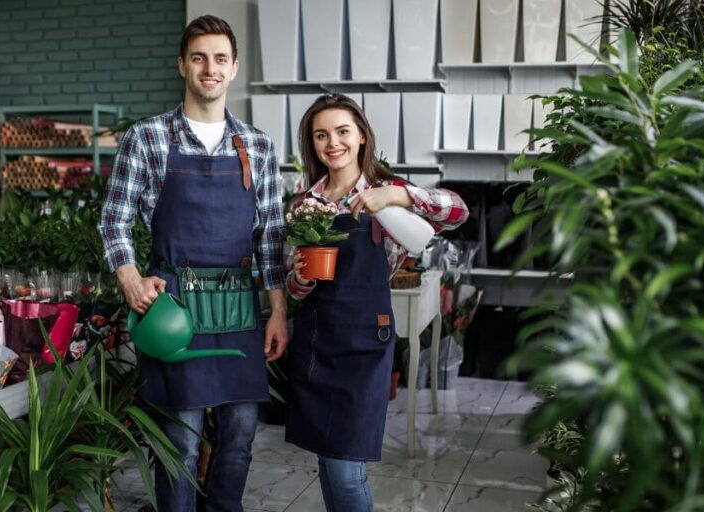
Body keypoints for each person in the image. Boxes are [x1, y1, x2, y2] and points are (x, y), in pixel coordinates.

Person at [98, 14, 289, 512]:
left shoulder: (259, 146)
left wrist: (278, 311)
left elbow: (270, 234)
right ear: (182, 64)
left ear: (234, 68)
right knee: (179, 441)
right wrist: (131, 280)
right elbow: (114, 220)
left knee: (241, 434)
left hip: (238, 305)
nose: (210, 68)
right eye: (199, 57)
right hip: (174, 304)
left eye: (220, 59)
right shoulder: (148, 138)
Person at [284, 94, 468, 511]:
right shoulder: (304, 205)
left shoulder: (386, 190)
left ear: (362, 136)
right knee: (329, 462)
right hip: (316, 342)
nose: (333, 142)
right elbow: (293, 289)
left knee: (347, 469)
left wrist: (397, 198)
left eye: (343, 131)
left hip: (366, 341)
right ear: (312, 144)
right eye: (321, 135)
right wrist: (300, 276)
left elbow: (457, 211)